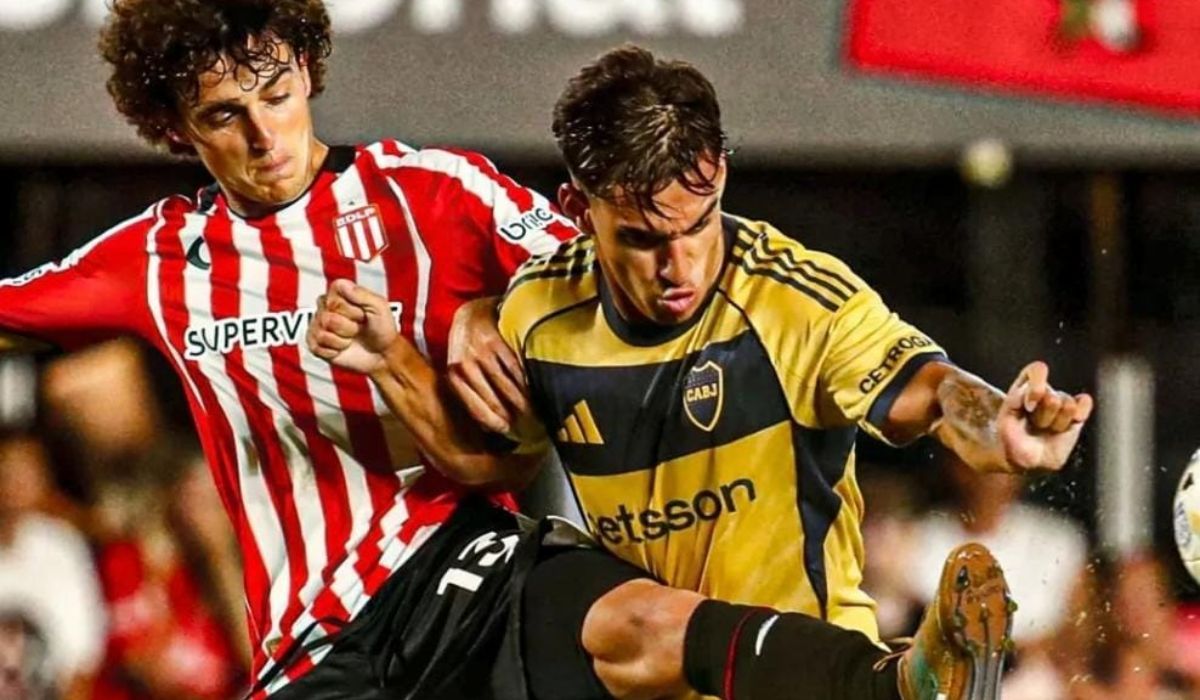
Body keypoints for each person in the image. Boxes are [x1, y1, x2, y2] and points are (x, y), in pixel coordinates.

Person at [0, 3, 988, 699]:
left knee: (645, 625)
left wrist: (480, 310)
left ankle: (901, 683)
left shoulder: (433, 191)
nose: (266, 133)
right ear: (177, 130)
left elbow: (593, 265)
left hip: (460, 557)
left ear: (306, 66)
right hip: (315, 646)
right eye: (225, 114)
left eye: (279, 91)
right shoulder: (156, 261)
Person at [310, 46, 1094, 699]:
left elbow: (927, 392)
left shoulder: (795, 301)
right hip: (650, 678)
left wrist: (996, 423)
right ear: (579, 211)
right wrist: (395, 360)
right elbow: (498, 463)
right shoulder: (539, 313)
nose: (679, 265)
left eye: (698, 224)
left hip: (806, 676)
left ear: (719, 174)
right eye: (644, 239)